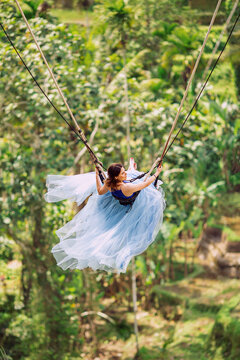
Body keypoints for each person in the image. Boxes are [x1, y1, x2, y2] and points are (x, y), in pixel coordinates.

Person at [44, 158, 165, 273]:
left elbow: (100, 191)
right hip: (130, 201)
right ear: (116, 176)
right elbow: (144, 185)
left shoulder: (109, 183)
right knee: (151, 194)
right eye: (123, 173)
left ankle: (132, 168)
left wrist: (97, 175)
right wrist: (157, 173)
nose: (125, 174)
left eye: (124, 171)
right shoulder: (127, 187)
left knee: (133, 176)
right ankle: (132, 169)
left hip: (120, 197)